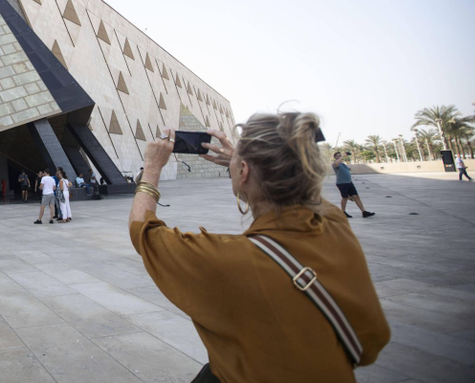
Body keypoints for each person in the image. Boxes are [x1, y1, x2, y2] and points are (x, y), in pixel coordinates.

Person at [129, 115, 390, 383]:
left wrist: (151, 168)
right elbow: (372, 344)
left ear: (243, 172)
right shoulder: (334, 224)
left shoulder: (225, 259)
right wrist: (242, 165)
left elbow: (143, 232)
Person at [332, 152, 375, 218]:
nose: (341, 156)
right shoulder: (335, 164)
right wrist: (343, 156)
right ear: (336, 157)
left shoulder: (343, 164)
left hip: (349, 182)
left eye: (341, 155)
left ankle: (364, 212)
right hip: (342, 183)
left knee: (356, 196)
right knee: (344, 197)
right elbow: (336, 164)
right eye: (339, 156)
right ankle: (343, 212)